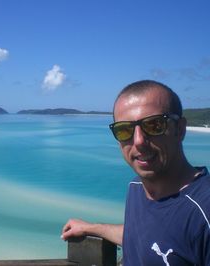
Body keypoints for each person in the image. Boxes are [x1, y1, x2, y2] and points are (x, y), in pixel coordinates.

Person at [61, 80, 210, 265]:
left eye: (154, 125)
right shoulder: (137, 187)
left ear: (179, 129)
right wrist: (91, 228)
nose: (138, 141)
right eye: (124, 130)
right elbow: (144, 236)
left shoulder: (204, 213)